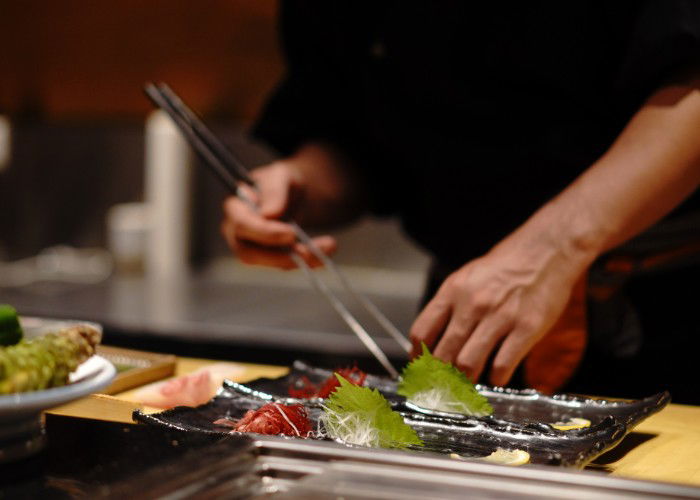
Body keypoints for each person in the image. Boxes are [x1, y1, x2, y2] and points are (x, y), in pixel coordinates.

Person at [221, 1, 700, 402]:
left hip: (669, 307)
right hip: (468, 310)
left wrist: (551, 247)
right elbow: (354, 131)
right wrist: (302, 185)